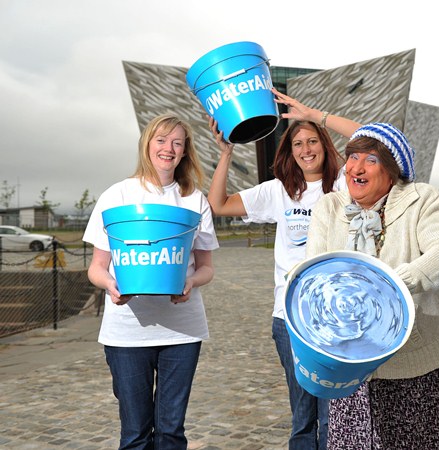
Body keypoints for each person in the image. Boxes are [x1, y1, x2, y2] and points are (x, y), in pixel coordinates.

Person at [206, 88, 359, 450]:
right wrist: (226, 152)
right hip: (289, 318)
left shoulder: (343, 186)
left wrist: (316, 114)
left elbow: (371, 136)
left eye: (312, 141)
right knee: (303, 414)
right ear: (289, 153)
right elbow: (218, 204)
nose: (306, 150)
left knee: (335, 415)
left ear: (324, 144)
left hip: (337, 316)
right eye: (297, 145)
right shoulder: (279, 191)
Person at [305, 122, 439, 449]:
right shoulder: (330, 207)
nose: (356, 167)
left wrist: (389, 286)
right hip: (351, 365)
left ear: (392, 170)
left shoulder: (421, 199)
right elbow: (314, 273)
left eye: (371, 159)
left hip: (417, 361)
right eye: (352, 157)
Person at [83, 114, 219, 449]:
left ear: (185, 151)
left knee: (172, 432)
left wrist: (189, 283)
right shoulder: (117, 196)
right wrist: (111, 286)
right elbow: (97, 268)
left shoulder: (194, 200)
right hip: (127, 331)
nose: (168, 148)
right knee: (135, 434)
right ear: (147, 144)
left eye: (177, 142)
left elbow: (206, 267)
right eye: (161, 140)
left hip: (182, 330)